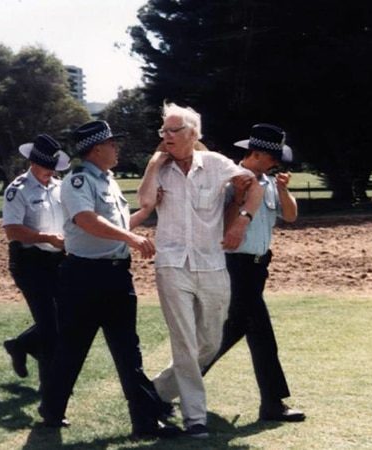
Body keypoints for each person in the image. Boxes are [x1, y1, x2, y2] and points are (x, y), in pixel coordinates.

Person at [38, 120, 179, 438]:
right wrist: (131, 239)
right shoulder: (77, 181)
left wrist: (145, 212)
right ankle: (51, 410)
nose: (117, 148)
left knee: (129, 350)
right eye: (113, 144)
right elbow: (88, 220)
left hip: (116, 275)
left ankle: (144, 423)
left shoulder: (108, 181)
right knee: (72, 348)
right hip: (84, 277)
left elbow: (116, 223)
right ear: (96, 148)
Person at [137, 102, 264, 438]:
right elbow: (145, 202)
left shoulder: (217, 164)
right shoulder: (160, 169)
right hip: (171, 265)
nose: (167, 137)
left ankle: (155, 392)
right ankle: (195, 418)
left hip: (211, 265)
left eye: (173, 131)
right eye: (163, 131)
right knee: (184, 343)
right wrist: (153, 164)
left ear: (193, 134)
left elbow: (256, 187)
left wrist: (241, 222)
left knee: (210, 342)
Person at [202, 123, 306, 422]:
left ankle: (172, 387)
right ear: (256, 153)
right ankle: (272, 404)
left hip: (258, 267)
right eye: (273, 158)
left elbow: (290, 215)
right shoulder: (230, 180)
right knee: (262, 334)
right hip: (235, 266)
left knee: (229, 333)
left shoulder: (270, 182)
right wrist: (237, 198)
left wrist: (284, 190)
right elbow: (222, 225)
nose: (277, 164)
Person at [1, 133, 70, 386]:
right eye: (46, 168)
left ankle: (20, 345)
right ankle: (52, 390)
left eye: (53, 168)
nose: (50, 173)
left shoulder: (60, 187)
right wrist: (47, 237)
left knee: (63, 319)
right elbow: (12, 230)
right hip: (29, 262)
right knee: (50, 326)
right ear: (33, 164)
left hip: (58, 260)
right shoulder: (17, 190)